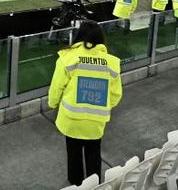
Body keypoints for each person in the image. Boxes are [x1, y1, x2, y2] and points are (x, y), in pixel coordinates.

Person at [48, 20, 123, 186]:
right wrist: (102, 105)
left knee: (73, 154)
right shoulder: (111, 62)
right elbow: (116, 95)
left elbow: (56, 87)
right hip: (96, 122)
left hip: (71, 119)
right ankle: (94, 185)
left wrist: (52, 104)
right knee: (94, 154)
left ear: (79, 36)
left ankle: (76, 185)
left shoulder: (67, 58)